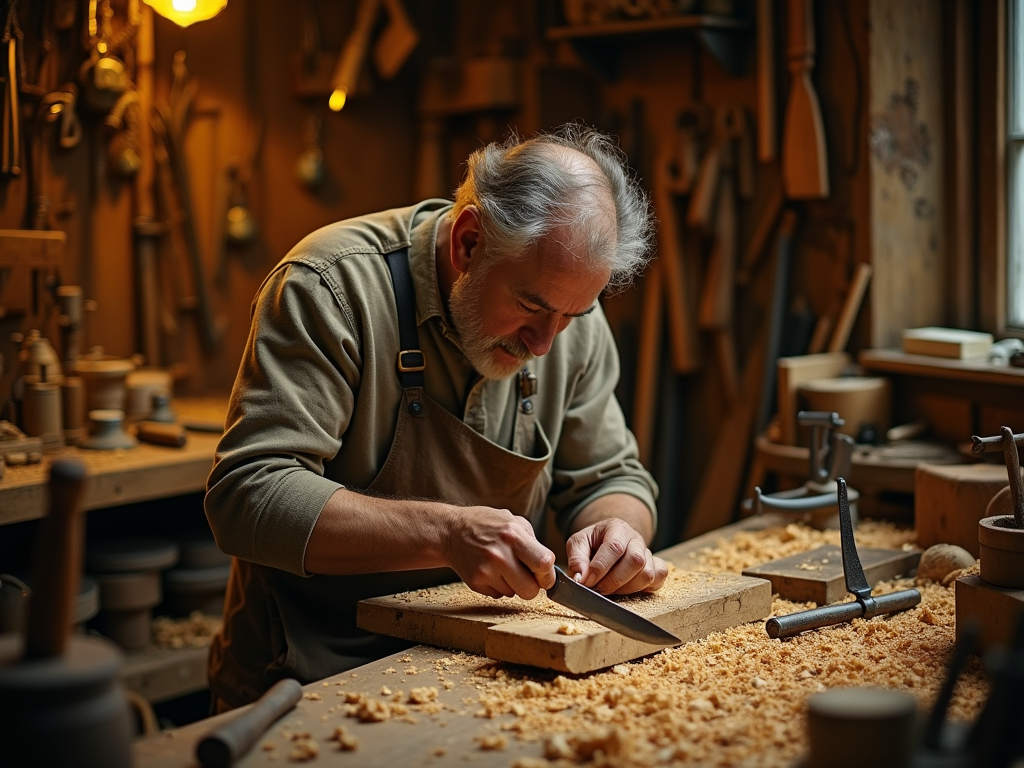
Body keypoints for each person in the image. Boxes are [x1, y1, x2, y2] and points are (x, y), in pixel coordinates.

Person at [204, 123, 668, 710]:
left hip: (482, 668)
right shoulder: (331, 288)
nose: (547, 343)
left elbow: (613, 476)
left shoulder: (565, 316)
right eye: (530, 306)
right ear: (469, 243)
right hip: (309, 677)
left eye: (571, 316)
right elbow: (248, 498)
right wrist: (445, 534)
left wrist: (619, 532)